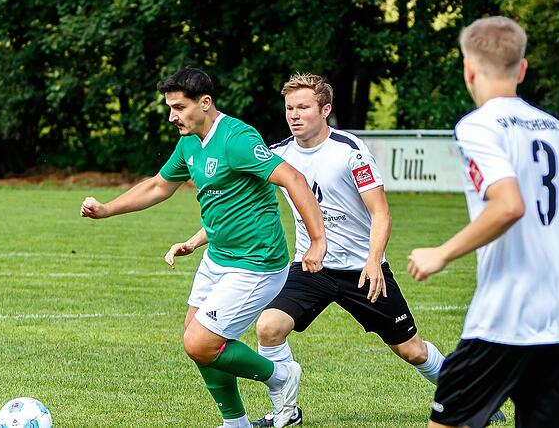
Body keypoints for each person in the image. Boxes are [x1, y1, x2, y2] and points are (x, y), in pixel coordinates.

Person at [169, 73, 500, 428]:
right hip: (311, 267)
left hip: (361, 269)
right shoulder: (278, 153)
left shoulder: (349, 152)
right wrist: (195, 240)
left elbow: (381, 213)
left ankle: (470, 396)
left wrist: (374, 262)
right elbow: (238, 204)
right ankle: (286, 412)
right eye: (289, 108)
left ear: (325, 110)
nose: (294, 115)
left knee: (411, 350)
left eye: (303, 108)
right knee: (269, 327)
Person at [81, 68, 327, 428]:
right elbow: (158, 186)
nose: (172, 116)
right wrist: (106, 210)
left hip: (256, 263)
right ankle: (235, 423)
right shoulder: (189, 143)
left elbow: (293, 178)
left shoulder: (237, 138)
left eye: (179, 107)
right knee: (196, 341)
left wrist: (317, 241)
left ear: (205, 103)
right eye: (169, 107)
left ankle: (279, 375)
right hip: (219, 257)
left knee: (201, 343)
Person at [407, 16, 559, 428]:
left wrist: (441, 253)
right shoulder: (558, 129)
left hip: (505, 316)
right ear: (521, 69)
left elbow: (508, 205)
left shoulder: (478, 126)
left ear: (468, 69)